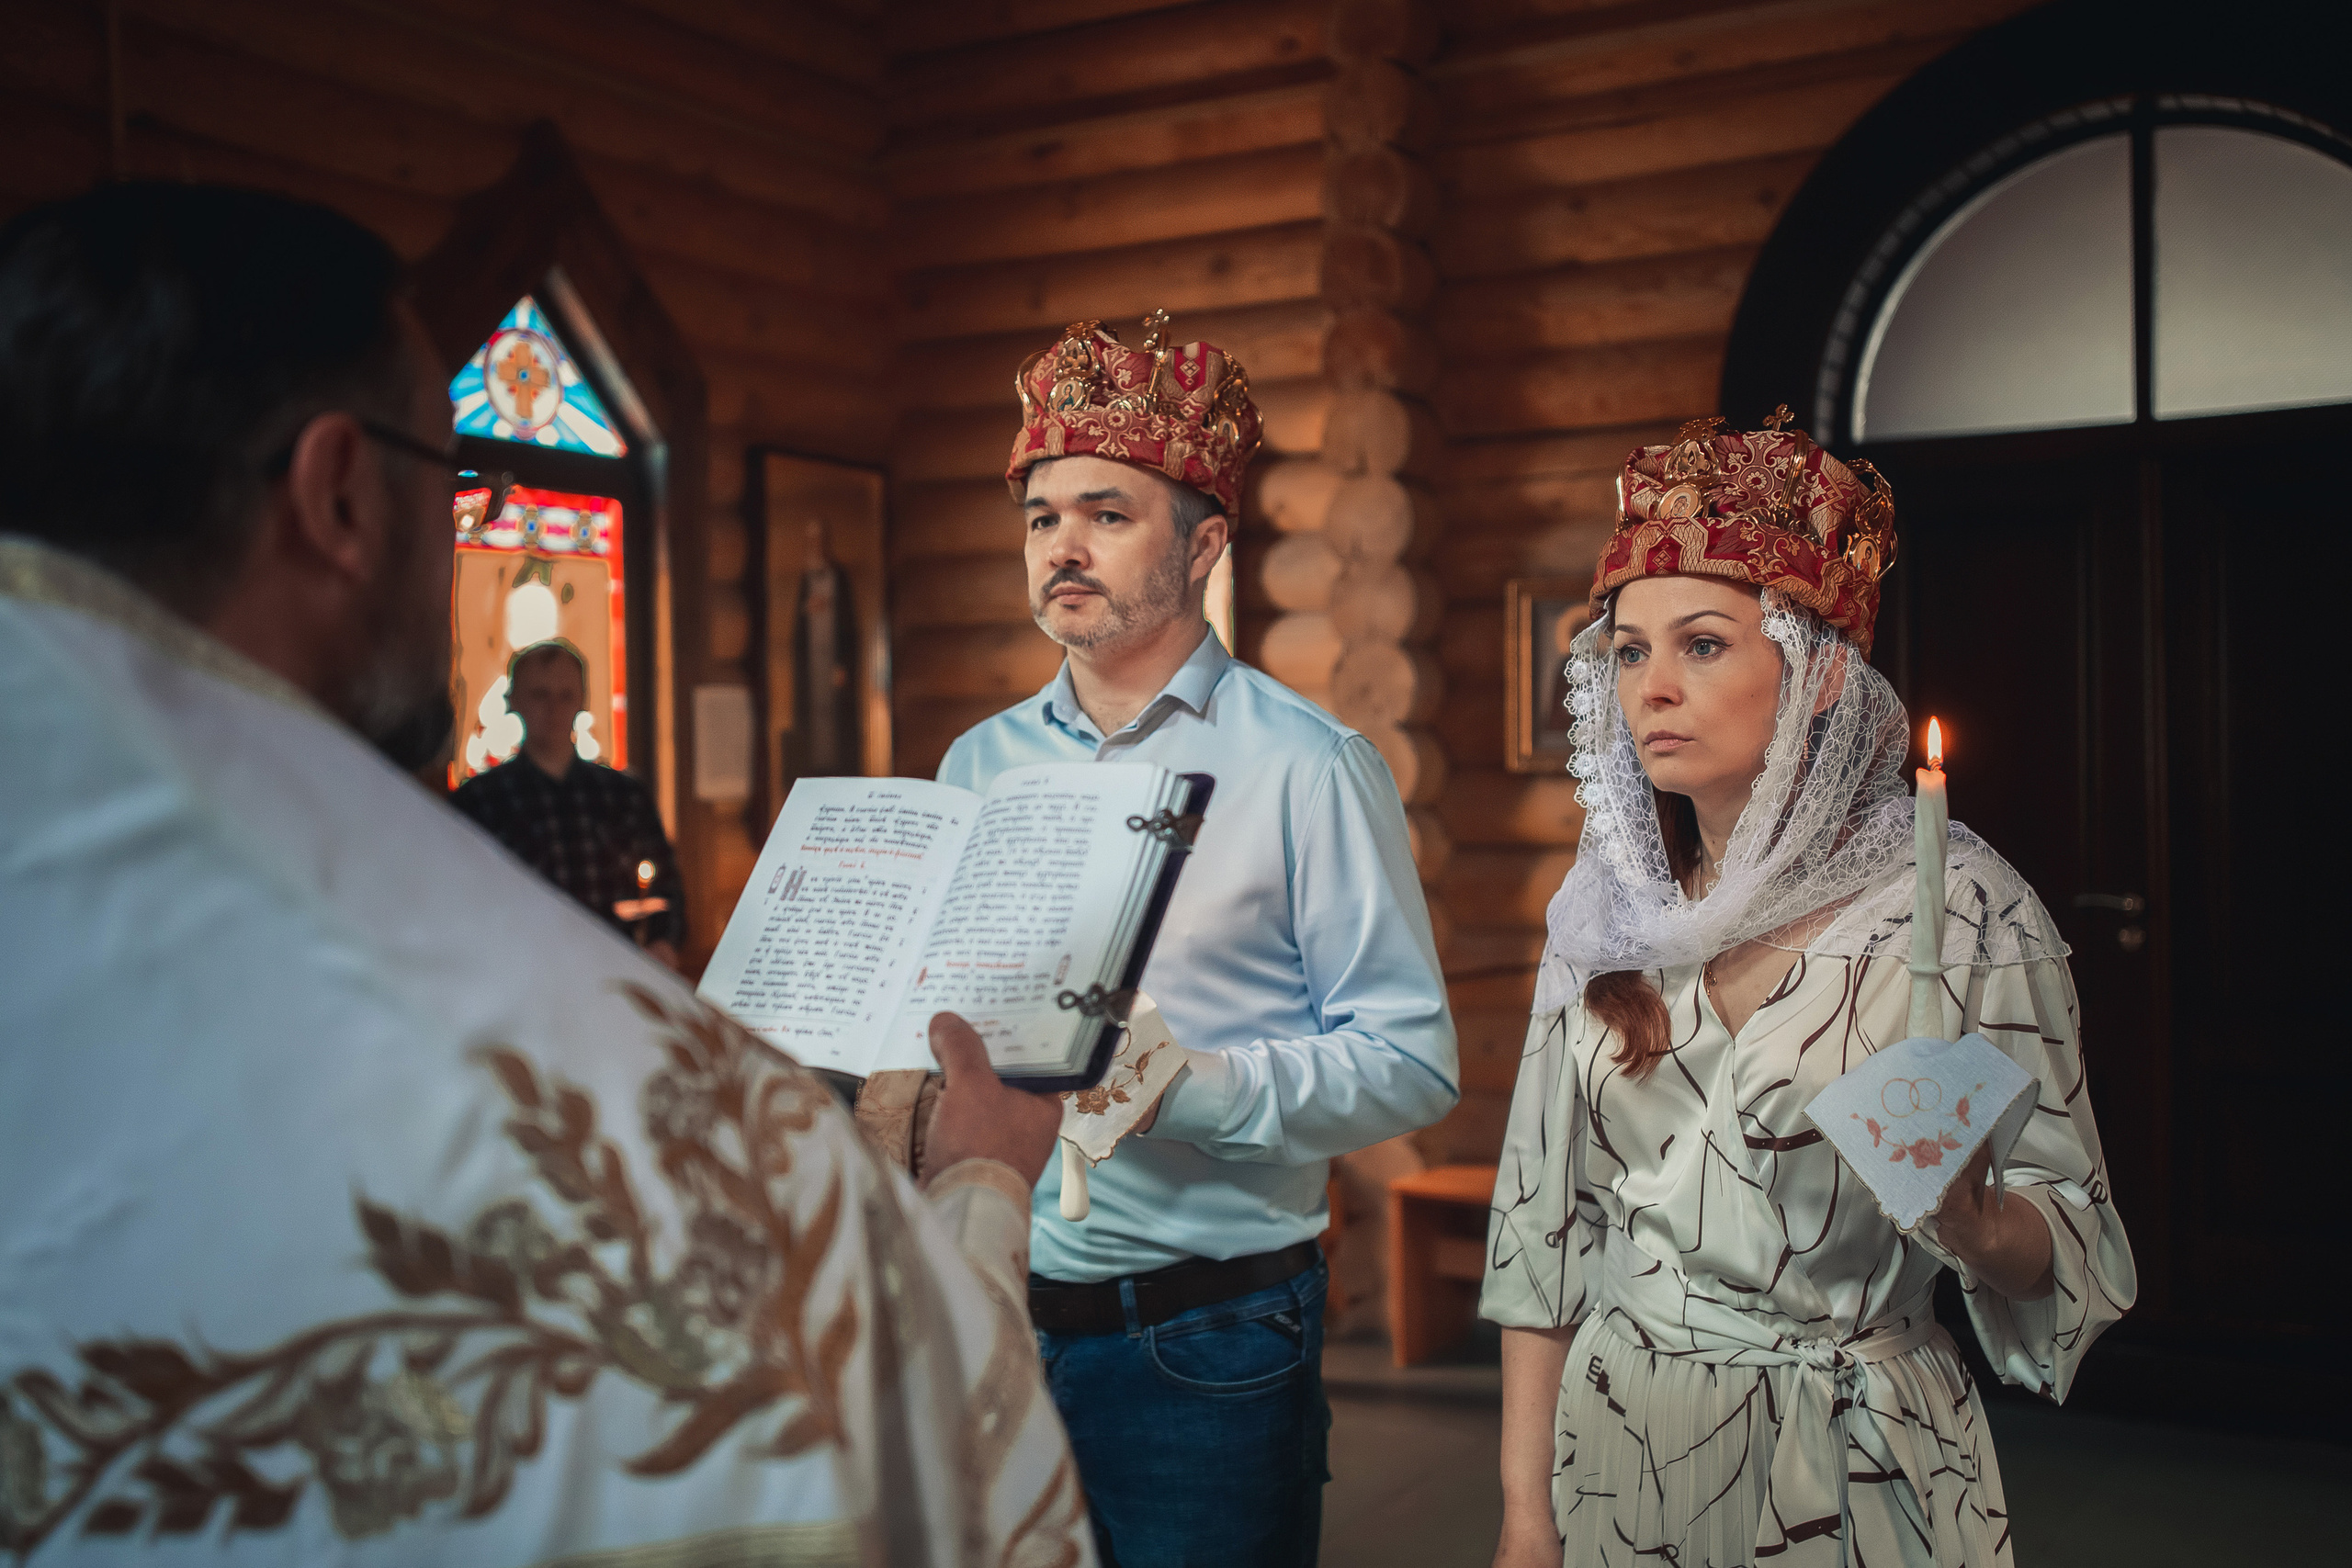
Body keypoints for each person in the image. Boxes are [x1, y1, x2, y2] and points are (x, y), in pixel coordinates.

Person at [0, 183, 1086, 1566]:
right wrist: (983, 1183)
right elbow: (951, 1476)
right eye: (449, 474)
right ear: (342, 492)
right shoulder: (671, 1133)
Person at [1483, 412, 2136, 1568]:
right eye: (1628, 652)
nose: (1654, 690)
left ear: (1821, 675)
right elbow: (1541, 1232)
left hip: (1852, 1449)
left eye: (1702, 644)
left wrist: (1980, 1228)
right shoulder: (1604, 913)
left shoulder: (1961, 913)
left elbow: (2072, 1228)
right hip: (1619, 1440)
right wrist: (1525, 1517)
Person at [940, 312, 1459, 1567]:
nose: (1062, 545)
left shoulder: (1307, 765)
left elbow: (1412, 1058)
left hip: (1209, 1333)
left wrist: (1200, 1085)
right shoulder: (979, 760)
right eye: (1041, 515)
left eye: (1107, 513)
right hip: (996, 1307)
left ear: (1205, 541)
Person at [454, 639, 689, 969]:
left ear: (581, 702)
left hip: (616, 974)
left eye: (565, 696)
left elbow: (666, 888)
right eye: (539, 695)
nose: (553, 709)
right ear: (514, 701)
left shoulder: (623, 796)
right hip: (524, 975)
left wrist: (662, 943)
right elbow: (465, 899)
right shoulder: (481, 800)